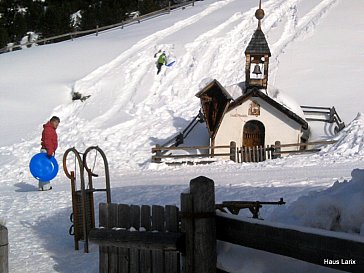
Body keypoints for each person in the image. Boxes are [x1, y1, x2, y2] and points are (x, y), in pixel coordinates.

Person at [39, 116, 60, 191]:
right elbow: (48, 141)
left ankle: (41, 186)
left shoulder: (49, 129)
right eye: (56, 123)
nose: (57, 125)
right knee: (46, 169)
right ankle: (46, 186)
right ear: (52, 121)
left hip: (46, 150)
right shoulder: (48, 130)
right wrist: (50, 151)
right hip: (47, 151)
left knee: (43, 168)